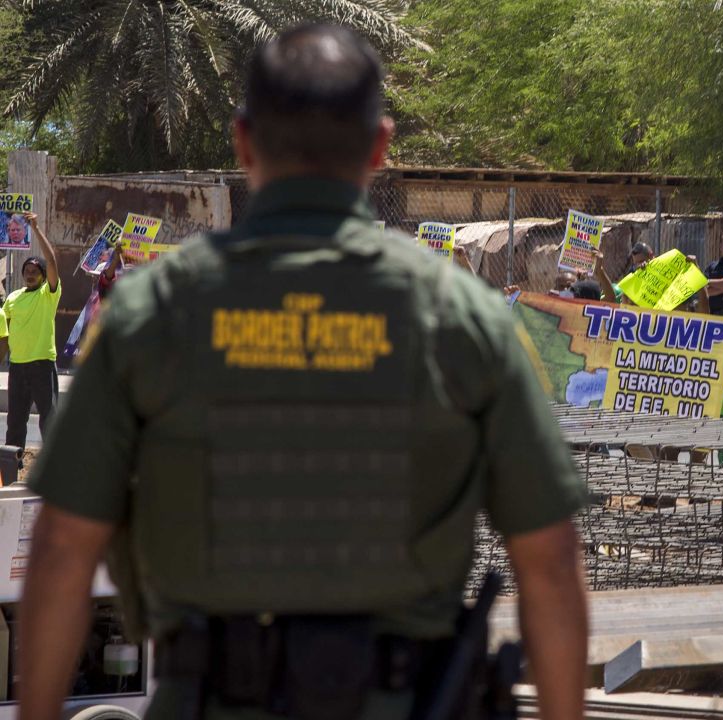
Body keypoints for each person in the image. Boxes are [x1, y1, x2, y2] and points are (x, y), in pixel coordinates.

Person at [20, 25, 588, 720]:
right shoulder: (464, 318)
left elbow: (61, 550)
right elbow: (552, 564)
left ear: (243, 142)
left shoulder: (151, 312)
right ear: (380, 147)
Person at [4, 211, 60, 455]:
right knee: (15, 424)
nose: (30, 273)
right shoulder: (13, 298)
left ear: (43, 275)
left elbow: (53, 261)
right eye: (27, 269)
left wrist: (36, 229)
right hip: (17, 367)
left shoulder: (48, 294)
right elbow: (3, 334)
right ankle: (9, 474)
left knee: (49, 421)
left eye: (36, 270)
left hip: (42, 365)